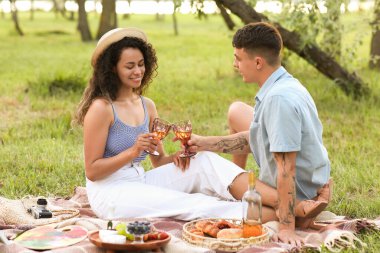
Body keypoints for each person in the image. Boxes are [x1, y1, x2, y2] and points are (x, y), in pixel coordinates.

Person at [74, 27, 263, 221]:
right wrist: (133, 151)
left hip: (140, 180)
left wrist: (176, 157)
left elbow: (159, 160)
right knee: (192, 203)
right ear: (113, 68)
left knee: (203, 160)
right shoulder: (101, 108)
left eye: (141, 64)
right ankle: (266, 214)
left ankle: (266, 198)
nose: (138, 71)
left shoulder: (147, 106)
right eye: (130, 66)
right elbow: (92, 171)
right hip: (110, 193)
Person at [187, 22, 332, 246]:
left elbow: (287, 168)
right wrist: (203, 142)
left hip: (298, 189)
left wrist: (286, 227)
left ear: (257, 62)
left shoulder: (278, 100)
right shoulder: (285, 84)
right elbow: (255, 138)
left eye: (237, 58)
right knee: (236, 111)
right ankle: (282, 205)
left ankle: (298, 213)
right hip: (309, 181)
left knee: (209, 167)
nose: (235, 64)